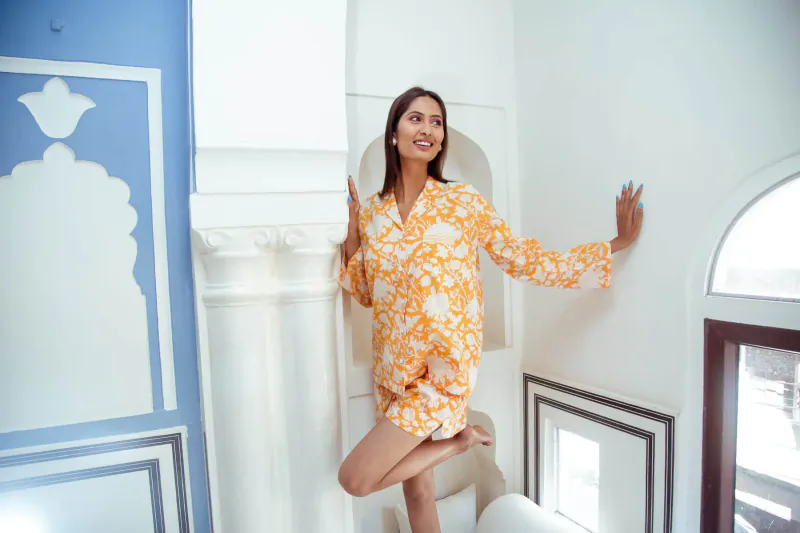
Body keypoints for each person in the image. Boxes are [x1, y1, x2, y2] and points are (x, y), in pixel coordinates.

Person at [337, 86, 643, 532]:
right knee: (418, 492)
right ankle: (453, 444)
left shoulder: (463, 201)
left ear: (442, 139)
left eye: (436, 122)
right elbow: (364, 291)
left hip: (440, 375)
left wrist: (613, 245)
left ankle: (458, 443)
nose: (427, 129)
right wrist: (351, 231)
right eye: (416, 119)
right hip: (391, 370)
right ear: (393, 133)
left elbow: (522, 257)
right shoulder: (373, 214)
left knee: (355, 479)